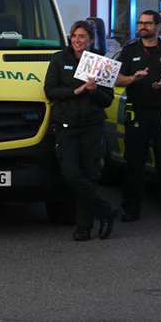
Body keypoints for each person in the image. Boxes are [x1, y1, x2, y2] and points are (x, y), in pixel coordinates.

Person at [115, 10, 161, 222]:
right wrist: (133, 78)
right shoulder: (130, 51)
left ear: (158, 27)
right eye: (140, 23)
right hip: (137, 113)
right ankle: (131, 210)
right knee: (134, 164)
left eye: (148, 23)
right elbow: (116, 79)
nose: (143, 27)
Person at [44, 21, 117, 241]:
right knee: (70, 173)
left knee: (89, 174)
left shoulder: (101, 63)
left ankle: (83, 227)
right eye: (74, 36)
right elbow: (50, 91)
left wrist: (93, 91)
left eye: (82, 36)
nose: (77, 40)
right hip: (66, 125)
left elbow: (107, 100)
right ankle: (105, 209)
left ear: (91, 40)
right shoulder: (59, 59)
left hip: (91, 126)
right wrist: (77, 90)